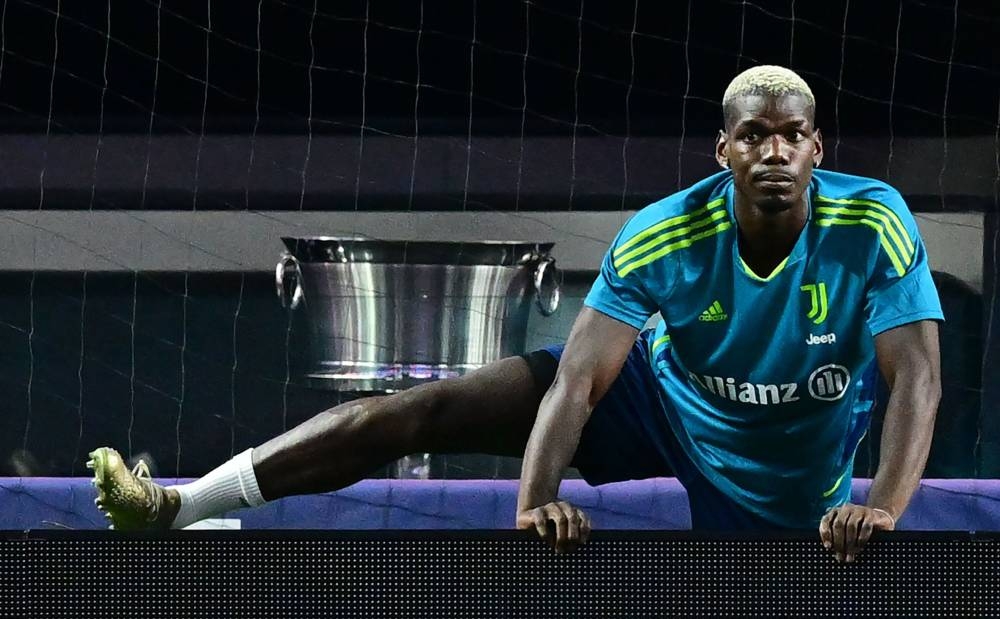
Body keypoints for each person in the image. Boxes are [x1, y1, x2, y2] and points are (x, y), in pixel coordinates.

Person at [89, 65, 942, 563]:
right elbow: (575, 380)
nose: (774, 150)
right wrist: (535, 501)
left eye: (791, 135)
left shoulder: (872, 222)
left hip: (795, 464)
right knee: (417, 408)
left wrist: (886, 508)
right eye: (753, 135)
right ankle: (177, 505)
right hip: (666, 407)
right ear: (723, 151)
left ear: (817, 148)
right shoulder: (663, 234)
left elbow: (918, 378)